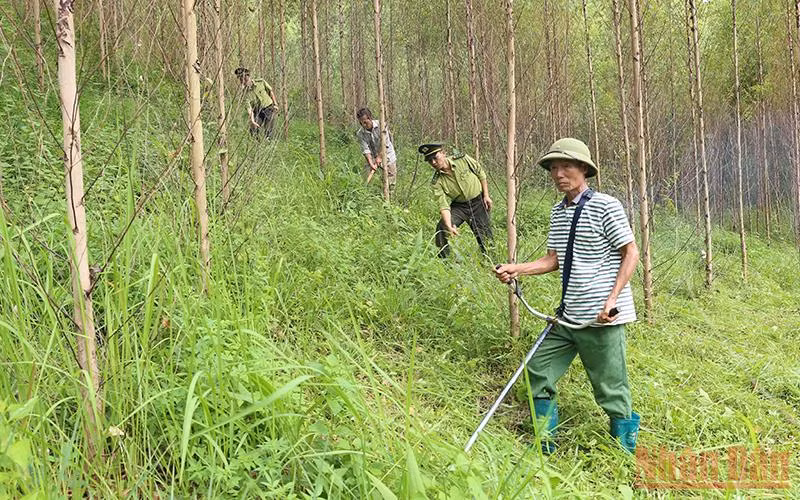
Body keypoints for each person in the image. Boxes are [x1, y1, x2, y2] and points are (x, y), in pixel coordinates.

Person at [493, 137, 640, 454]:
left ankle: (624, 453)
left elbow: (631, 252)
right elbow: (553, 259)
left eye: (566, 166)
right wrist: (516, 268)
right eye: (554, 168)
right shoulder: (558, 212)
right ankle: (544, 443)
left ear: (584, 169)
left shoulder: (606, 206)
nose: (559, 174)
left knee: (610, 388)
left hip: (601, 318)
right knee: (538, 369)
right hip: (568, 316)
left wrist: (612, 299)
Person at [418, 143, 493, 258]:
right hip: (460, 206)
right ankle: (444, 260)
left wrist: (486, 196)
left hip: (478, 201)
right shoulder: (436, 181)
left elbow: (480, 173)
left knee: (485, 237)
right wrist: (449, 225)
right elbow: (443, 205)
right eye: (429, 160)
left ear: (443, 153)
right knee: (442, 227)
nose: (433, 162)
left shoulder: (462, 159)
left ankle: (490, 262)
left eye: (435, 158)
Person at [355, 108, 397, 190]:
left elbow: (385, 143)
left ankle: (389, 199)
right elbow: (366, 149)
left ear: (370, 118)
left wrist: (379, 157)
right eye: (361, 123)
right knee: (366, 175)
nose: (363, 125)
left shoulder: (382, 125)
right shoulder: (360, 133)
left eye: (365, 122)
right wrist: (371, 162)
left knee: (390, 181)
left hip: (388, 155)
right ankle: (367, 193)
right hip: (373, 157)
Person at [235, 67, 277, 139]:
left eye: (245, 79)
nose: (244, 81)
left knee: (268, 130)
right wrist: (252, 120)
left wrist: (275, 104)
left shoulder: (261, 82)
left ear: (249, 77)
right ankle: (257, 145)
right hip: (257, 111)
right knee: (253, 129)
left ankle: (268, 143)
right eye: (241, 80)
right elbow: (249, 108)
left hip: (269, 108)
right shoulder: (245, 93)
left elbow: (270, 91)